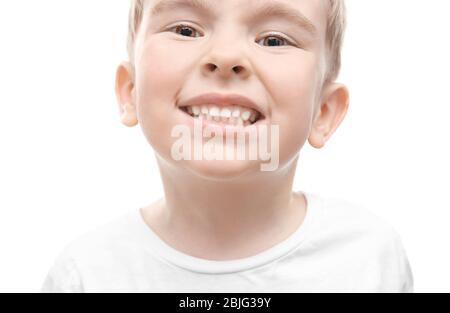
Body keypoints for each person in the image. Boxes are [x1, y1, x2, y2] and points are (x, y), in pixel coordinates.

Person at [41, 0, 413, 292]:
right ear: (130, 92)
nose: (226, 57)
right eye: (186, 30)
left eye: (273, 40)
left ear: (324, 112)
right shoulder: (86, 276)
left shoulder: (368, 261)